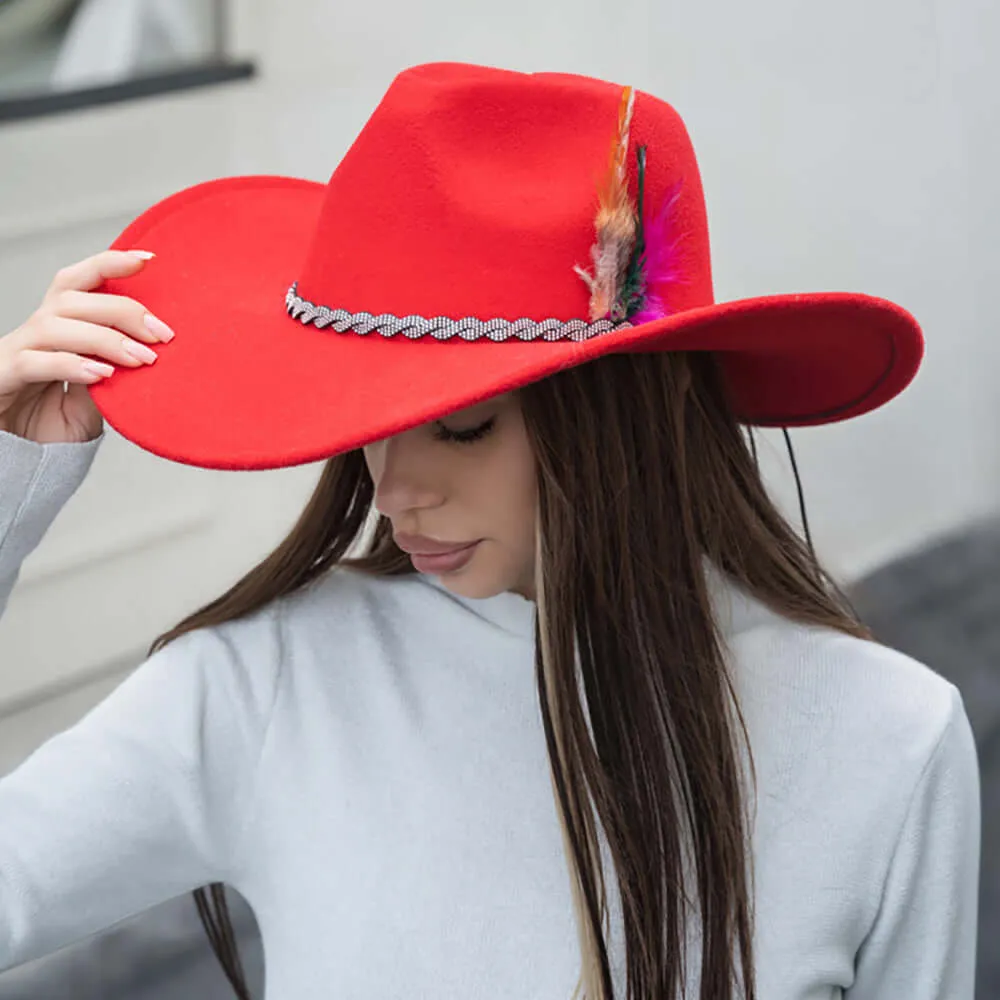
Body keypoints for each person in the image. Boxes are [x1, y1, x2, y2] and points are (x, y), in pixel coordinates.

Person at [0, 62, 981, 1000]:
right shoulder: (266, 683)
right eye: (362, 427)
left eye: (462, 424)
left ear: (628, 413)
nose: (394, 492)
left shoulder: (887, 739)